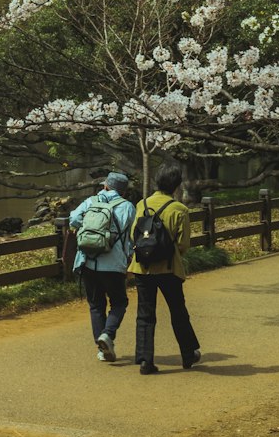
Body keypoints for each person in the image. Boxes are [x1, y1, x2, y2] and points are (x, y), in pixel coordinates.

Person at [128, 160, 201, 375]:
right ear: (177, 185)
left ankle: (144, 359)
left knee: (145, 313)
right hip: (169, 269)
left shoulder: (142, 205)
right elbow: (184, 244)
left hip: (143, 268)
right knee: (178, 311)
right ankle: (188, 354)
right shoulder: (179, 209)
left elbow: (135, 233)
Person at [67, 171, 136, 363]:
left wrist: (89, 229)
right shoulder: (128, 207)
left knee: (96, 305)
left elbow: (72, 219)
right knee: (119, 302)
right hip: (114, 264)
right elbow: (131, 235)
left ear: (105, 186)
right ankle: (108, 334)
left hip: (88, 261)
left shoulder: (91, 201)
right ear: (123, 191)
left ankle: (101, 347)